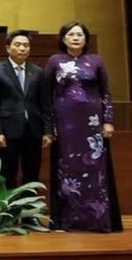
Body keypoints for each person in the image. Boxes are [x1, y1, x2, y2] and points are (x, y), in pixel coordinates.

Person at [44, 21, 123, 232]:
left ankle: (97, 220)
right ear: (63, 39)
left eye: (80, 34)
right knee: (69, 168)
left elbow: (106, 92)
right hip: (65, 123)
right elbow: (45, 96)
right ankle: (69, 220)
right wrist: (50, 126)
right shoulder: (54, 61)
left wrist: (108, 120)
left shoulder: (96, 61)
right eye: (71, 34)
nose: (76, 37)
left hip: (92, 123)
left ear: (86, 39)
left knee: (95, 169)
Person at [0, 30, 52, 188]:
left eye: (26, 45)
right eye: (18, 45)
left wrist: (48, 130)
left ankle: (30, 211)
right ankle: (9, 210)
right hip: (8, 131)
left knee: (32, 173)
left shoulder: (37, 72)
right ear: (8, 48)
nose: (22, 48)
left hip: (33, 130)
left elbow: (45, 103)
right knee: (8, 173)